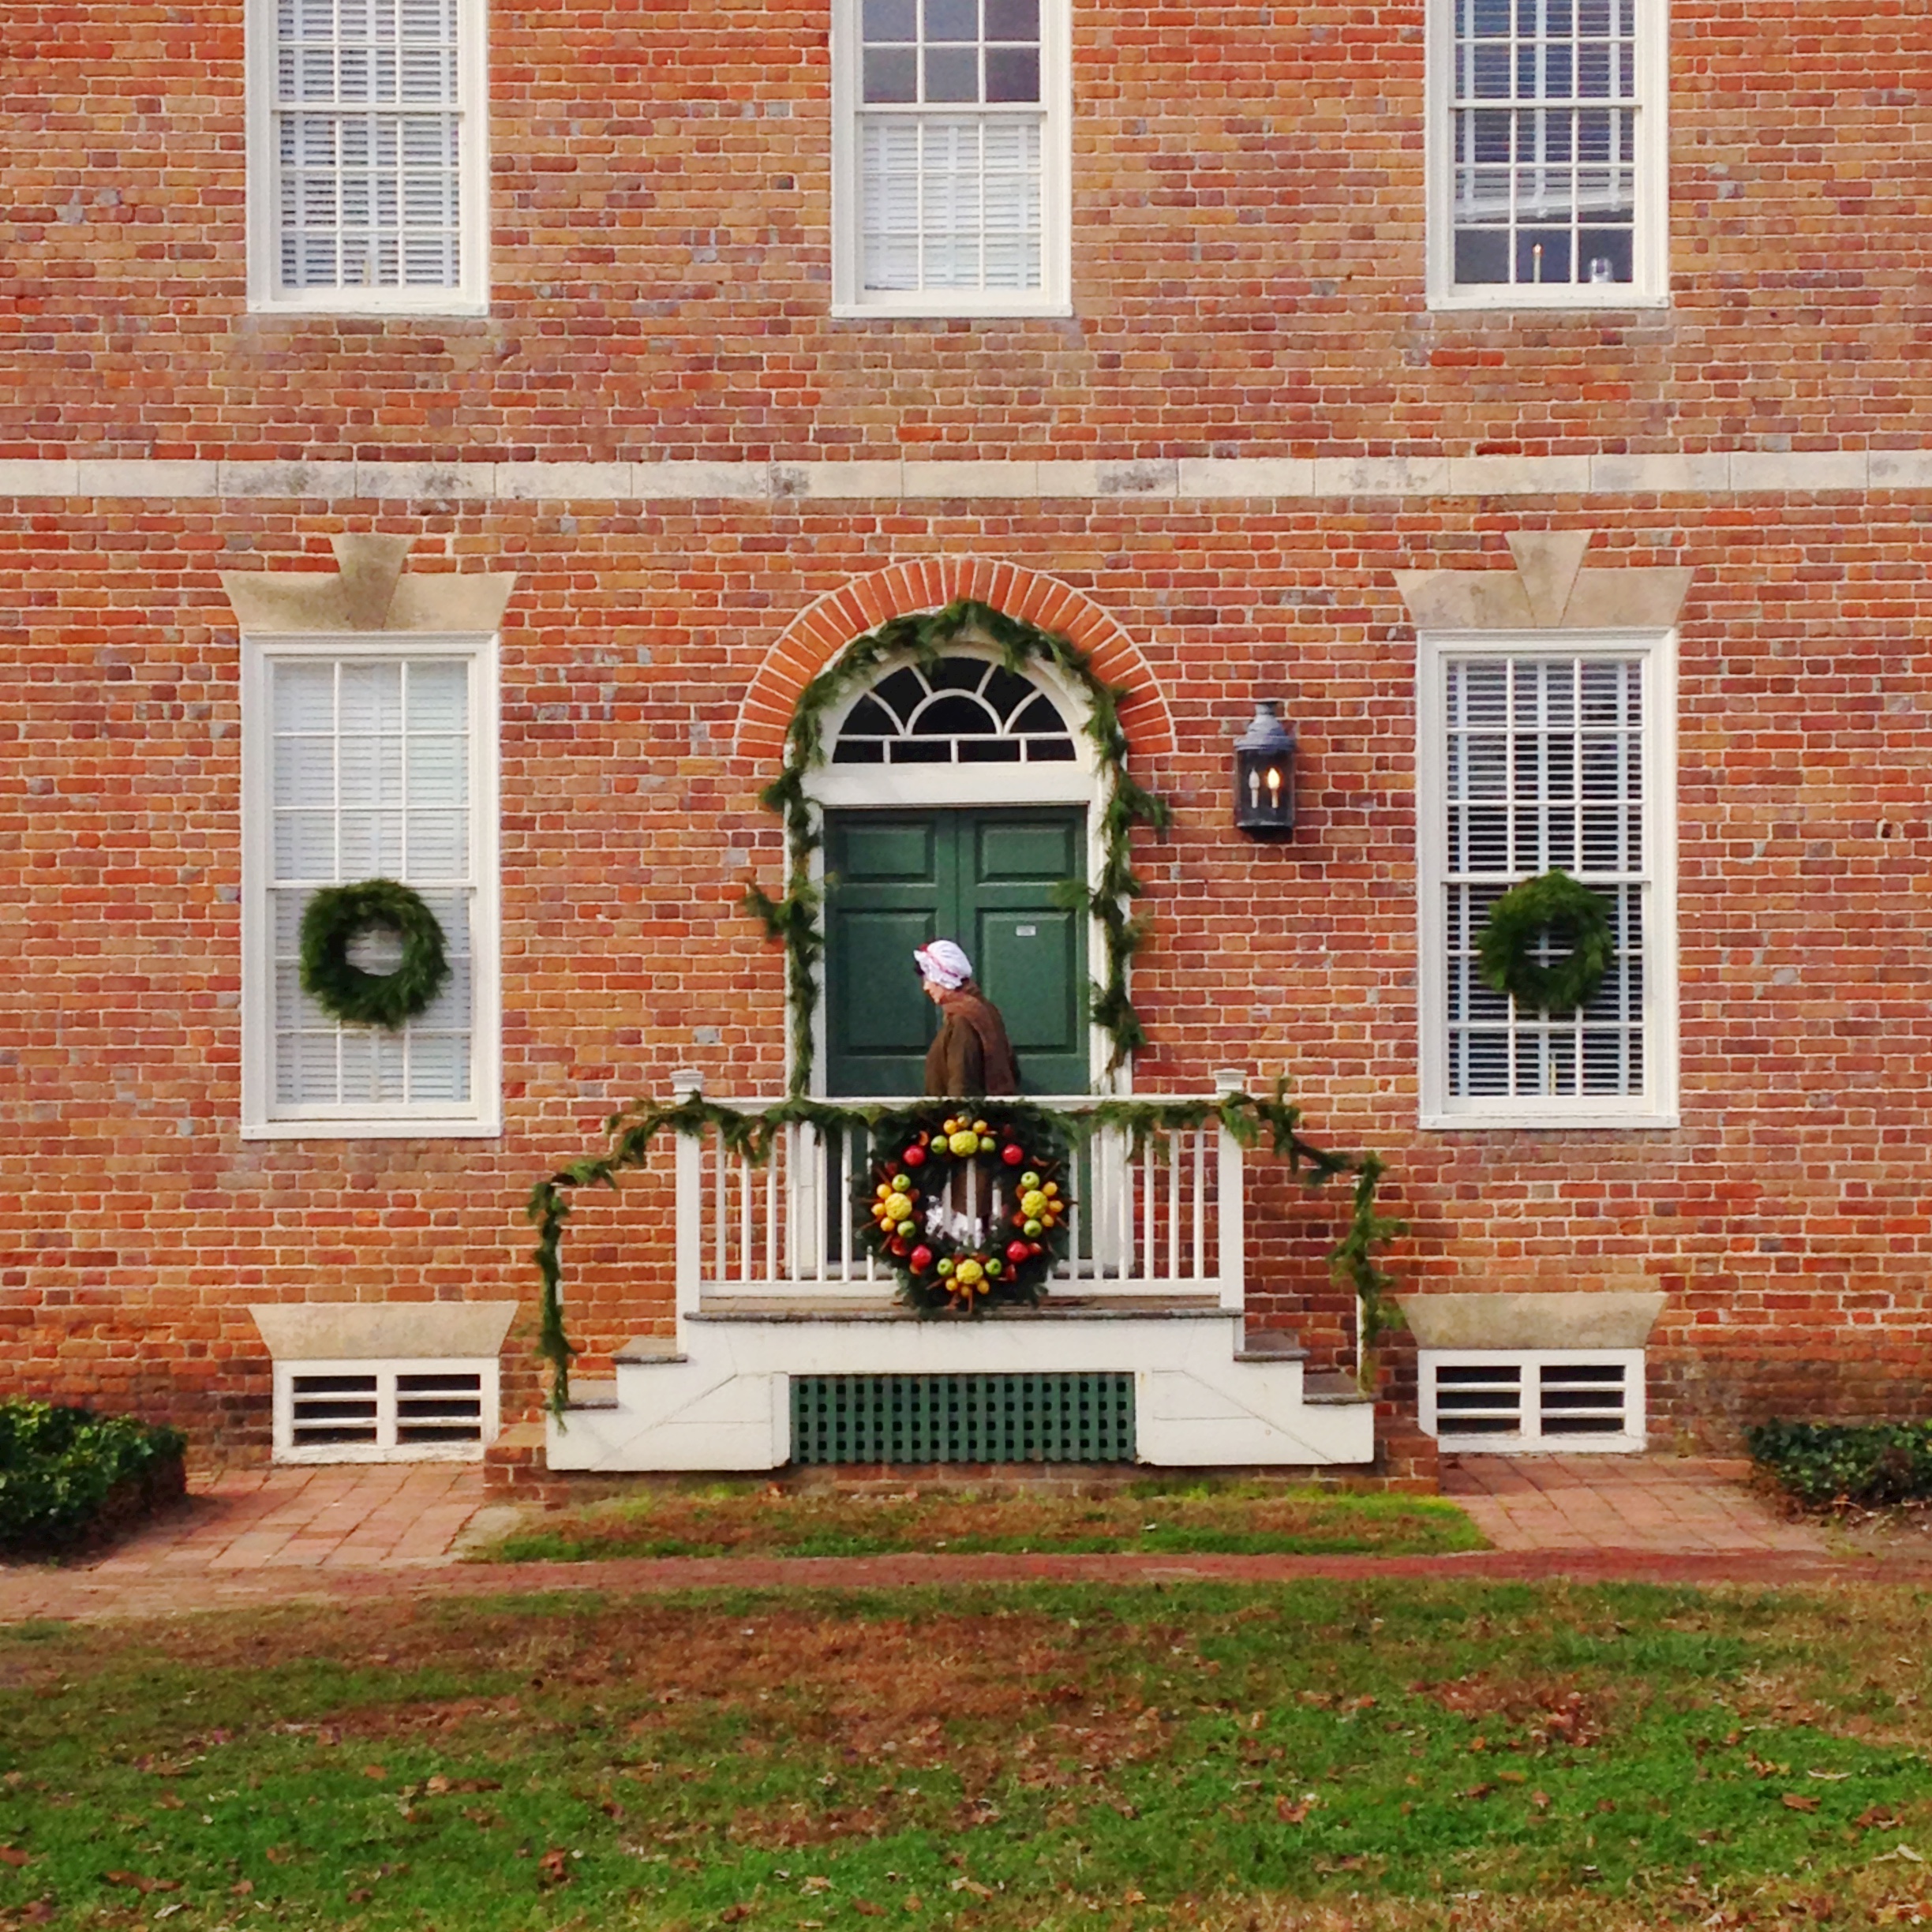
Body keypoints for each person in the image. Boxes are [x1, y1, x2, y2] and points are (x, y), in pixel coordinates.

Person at [914, 940, 1021, 1098]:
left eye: (928, 979)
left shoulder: (963, 1019)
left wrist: (960, 1117)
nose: (926, 987)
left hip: (962, 1119)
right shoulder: (982, 1008)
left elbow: (962, 1080)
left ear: (943, 978)